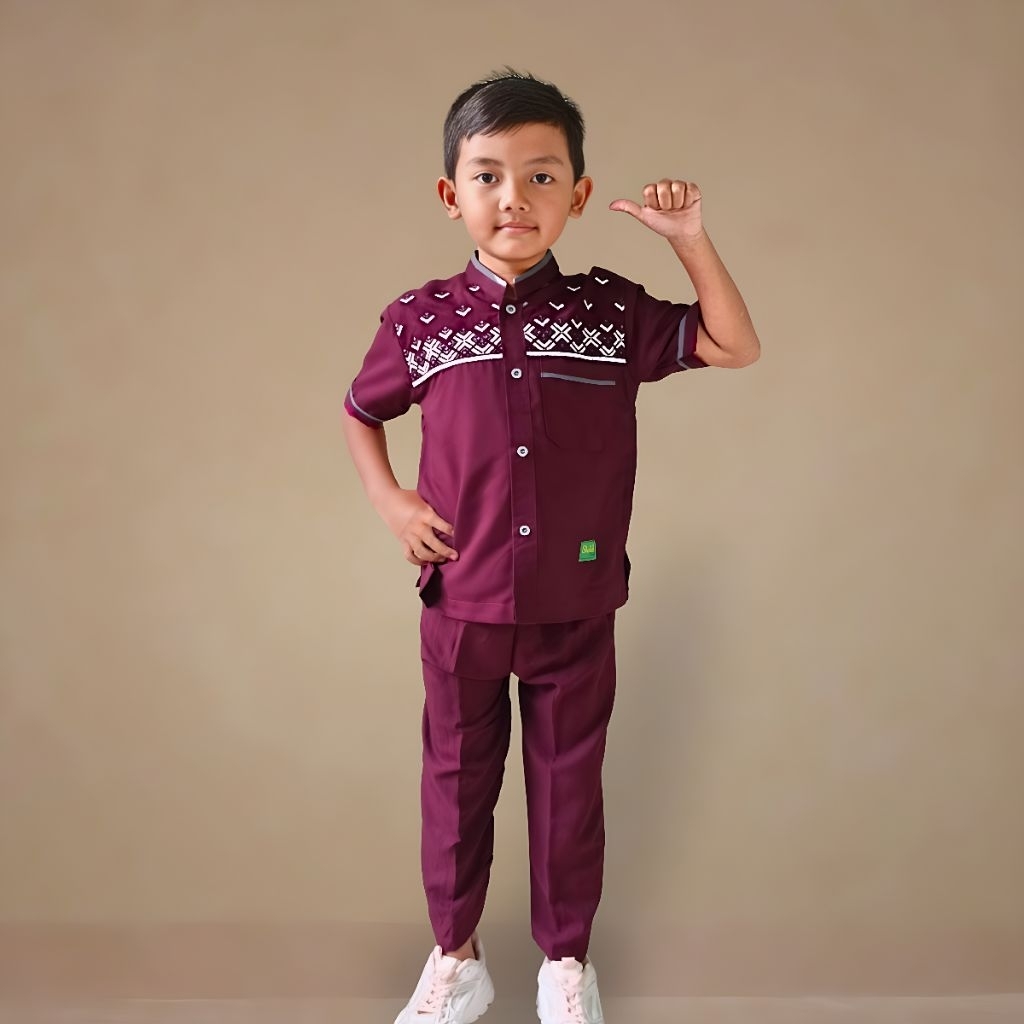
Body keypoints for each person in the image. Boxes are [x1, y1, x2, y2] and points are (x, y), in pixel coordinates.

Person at [342, 68, 760, 1024]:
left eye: (541, 177)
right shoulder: (420, 320)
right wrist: (392, 503)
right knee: (456, 786)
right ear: (451, 195)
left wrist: (689, 241)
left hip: (577, 606)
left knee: (568, 792)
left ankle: (565, 968)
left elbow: (734, 345)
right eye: (487, 176)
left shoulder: (610, 315)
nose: (513, 198)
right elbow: (360, 410)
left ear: (577, 194)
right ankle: (456, 960)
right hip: (462, 601)